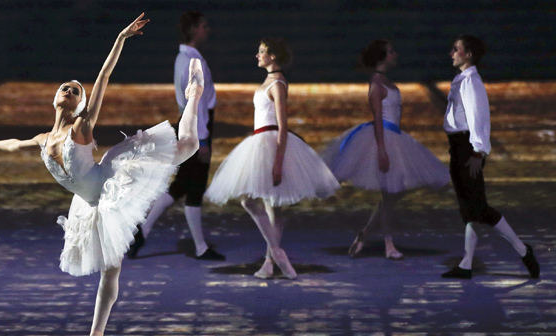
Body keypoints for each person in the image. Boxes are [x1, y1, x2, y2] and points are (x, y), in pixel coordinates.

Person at [0, 13, 205, 336]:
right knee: (111, 272)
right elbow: (16, 143)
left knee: (188, 144)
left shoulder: (81, 126)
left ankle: (193, 96)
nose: (69, 91)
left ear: (80, 105)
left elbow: (104, 77)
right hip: (90, 202)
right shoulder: (42, 139)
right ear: (54, 98)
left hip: (113, 181)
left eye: (75, 91)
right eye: (64, 88)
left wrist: (121, 38)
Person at [205, 38, 340, 279]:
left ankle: (274, 258)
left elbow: (283, 125)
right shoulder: (268, 81)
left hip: (270, 143)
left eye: (262, 51)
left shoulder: (278, 83)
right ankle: (273, 257)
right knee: (257, 203)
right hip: (259, 140)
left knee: (267, 205)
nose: (257, 55)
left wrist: (278, 161)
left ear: (273, 56)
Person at [323, 39, 450, 260]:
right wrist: (382, 151)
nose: (395, 54)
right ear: (382, 58)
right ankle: (389, 245)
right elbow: (378, 120)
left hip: (395, 137)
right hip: (382, 139)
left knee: (394, 193)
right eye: (391, 52)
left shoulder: (387, 82)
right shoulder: (376, 85)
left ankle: (366, 233)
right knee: (389, 192)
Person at [440, 35, 539, 279]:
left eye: (456, 49)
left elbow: (478, 117)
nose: (451, 53)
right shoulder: (463, 79)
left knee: (479, 208)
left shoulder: (471, 82)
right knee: (470, 208)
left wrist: (477, 151)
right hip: (459, 148)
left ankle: (522, 249)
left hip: (467, 149)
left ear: (468, 55)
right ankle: (466, 263)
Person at [128, 11, 224, 261]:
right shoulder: (191, 61)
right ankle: (199, 247)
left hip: (190, 125)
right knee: (193, 187)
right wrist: (203, 140)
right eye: (203, 26)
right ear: (192, 30)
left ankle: (143, 232)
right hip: (196, 127)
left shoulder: (184, 58)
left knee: (182, 185)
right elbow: (196, 103)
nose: (207, 30)